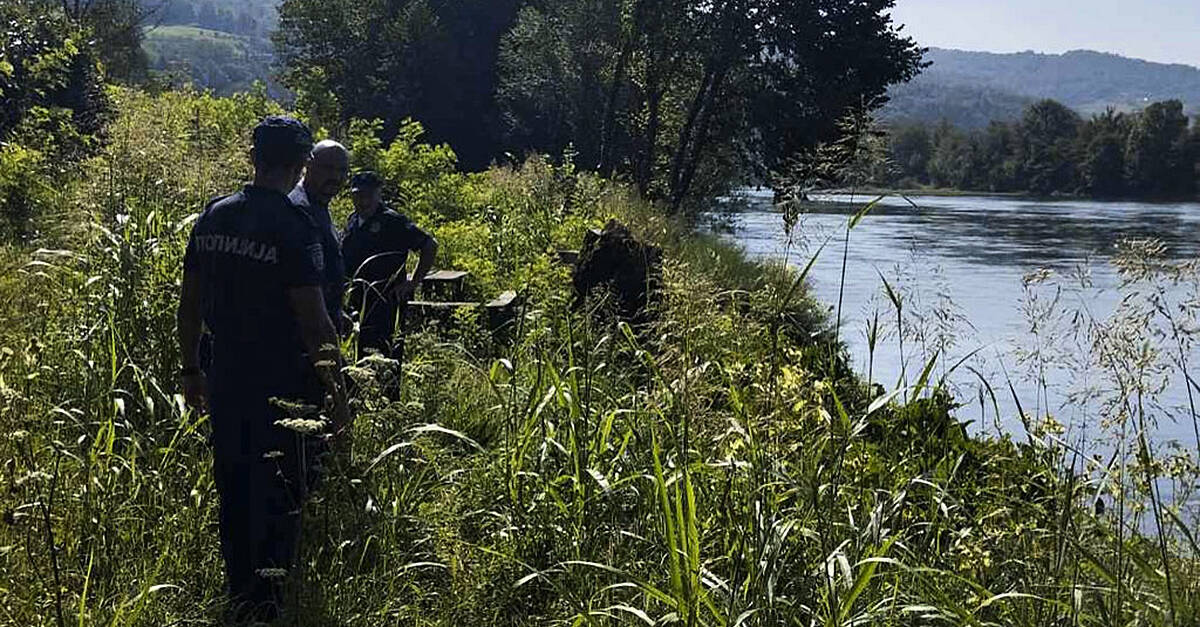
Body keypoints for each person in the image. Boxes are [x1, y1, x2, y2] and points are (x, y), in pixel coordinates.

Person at [176, 116, 351, 622]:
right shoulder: (292, 227)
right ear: (300, 166)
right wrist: (338, 395)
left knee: (233, 484)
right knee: (279, 491)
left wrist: (191, 370)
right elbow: (315, 323)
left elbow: (189, 304)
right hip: (283, 384)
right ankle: (267, 603)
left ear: (252, 157)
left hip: (225, 376)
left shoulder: (213, 216)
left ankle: (238, 594)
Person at [342, 171, 438, 359]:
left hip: (386, 303)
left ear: (378, 194)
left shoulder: (393, 221)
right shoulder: (353, 220)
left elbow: (429, 245)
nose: (363, 201)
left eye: (368, 195)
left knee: (386, 357)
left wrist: (413, 282)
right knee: (356, 357)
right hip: (355, 303)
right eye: (358, 195)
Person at [289, 140, 350, 332]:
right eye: (328, 168)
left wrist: (337, 312)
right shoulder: (299, 209)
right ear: (309, 165)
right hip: (303, 333)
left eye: (342, 171)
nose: (336, 177)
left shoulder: (319, 207)